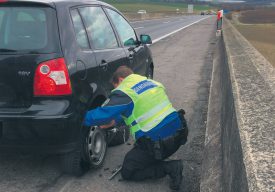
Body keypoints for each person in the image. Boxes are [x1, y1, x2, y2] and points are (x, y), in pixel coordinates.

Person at [84, 66, 188, 190]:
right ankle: (152, 157)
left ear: (121, 80)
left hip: (160, 145)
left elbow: (101, 114)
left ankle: (170, 168)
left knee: (128, 170)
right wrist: (115, 121)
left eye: (115, 86)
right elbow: (137, 109)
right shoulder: (150, 83)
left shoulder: (125, 91)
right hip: (179, 135)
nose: (115, 90)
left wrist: (78, 119)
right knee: (141, 150)